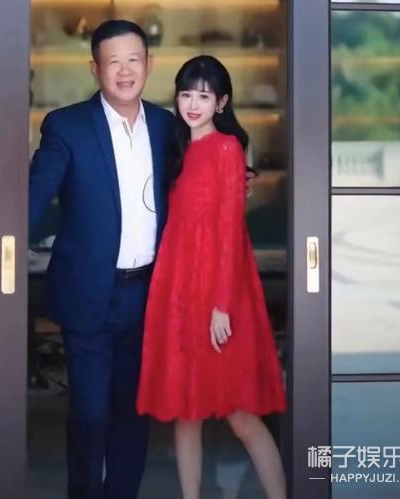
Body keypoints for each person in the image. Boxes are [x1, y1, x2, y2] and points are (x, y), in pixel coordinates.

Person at [28, 20, 174, 499]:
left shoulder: (166, 127)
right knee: (90, 413)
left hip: (148, 294)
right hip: (90, 293)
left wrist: (240, 176)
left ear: (149, 65)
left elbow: (198, 179)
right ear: (95, 68)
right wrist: (4, 244)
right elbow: (33, 197)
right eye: (113, 62)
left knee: (134, 413)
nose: (125, 71)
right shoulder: (67, 126)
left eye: (134, 60)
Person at [136, 55, 287, 499]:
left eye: (203, 96)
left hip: (219, 295)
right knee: (187, 414)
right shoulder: (175, 150)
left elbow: (228, 231)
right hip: (179, 291)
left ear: (221, 102)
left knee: (241, 415)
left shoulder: (227, 149)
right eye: (185, 94)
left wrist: (221, 305)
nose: (192, 104)